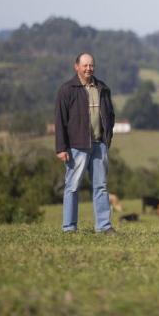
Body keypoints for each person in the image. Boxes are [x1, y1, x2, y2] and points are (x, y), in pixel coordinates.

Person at [55, 53, 116, 234]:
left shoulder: (102, 88)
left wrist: (107, 139)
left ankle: (104, 226)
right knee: (72, 187)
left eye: (91, 65)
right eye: (85, 65)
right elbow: (60, 121)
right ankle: (69, 227)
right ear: (76, 67)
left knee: (101, 186)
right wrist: (61, 148)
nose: (89, 68)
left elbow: (110, 115)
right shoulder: (66, 90)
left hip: (99, 146)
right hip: (76, 147)